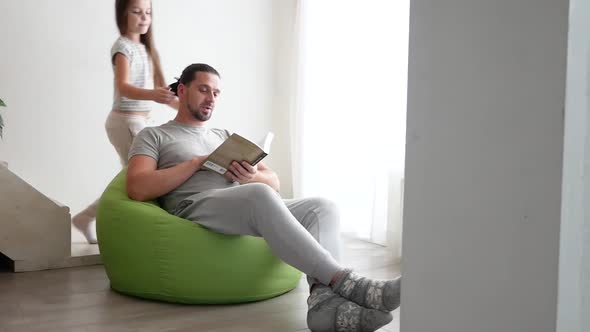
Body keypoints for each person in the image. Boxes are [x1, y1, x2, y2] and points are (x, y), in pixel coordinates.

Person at [126, 63, 401, 332]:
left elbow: (274, 182)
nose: (211, 98)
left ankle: (323, 306)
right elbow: (138, 187)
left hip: (242, 199)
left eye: (216, 93)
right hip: (194, 205)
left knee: (322, 207)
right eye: (203, 89)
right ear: (182, 90)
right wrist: (197, 162)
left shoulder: (222, 135)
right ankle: (350, 283)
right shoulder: (154, 135)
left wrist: (249, 176)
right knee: (257, 195)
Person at [72, 0, 177, 244]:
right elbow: (124, 86)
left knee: (131, 178)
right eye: (137, 12)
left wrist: (184, 106)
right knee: (145, 179)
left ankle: (87, 218)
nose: (144, 18)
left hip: (135, 122)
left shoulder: (147, 48)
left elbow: (164, 95)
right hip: (126, 122)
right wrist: (153, 94)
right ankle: (140, 230)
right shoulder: (123, 47)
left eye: (148, 13)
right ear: (123, 14)